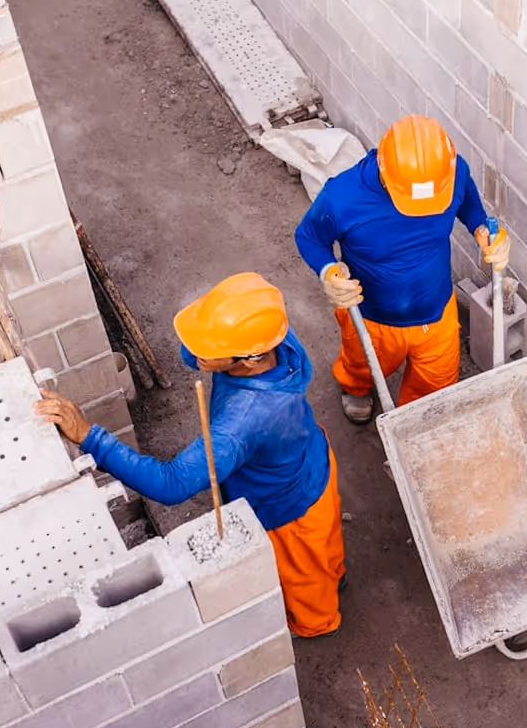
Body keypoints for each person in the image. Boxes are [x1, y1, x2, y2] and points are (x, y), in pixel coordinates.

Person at [35, 272, 346, 639]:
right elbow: (196, 353)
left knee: (306, 582)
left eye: (210, 346)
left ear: (248, 360)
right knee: (325, 552)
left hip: (287, 509)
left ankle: (316, 625)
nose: (198, 352)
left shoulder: (242, 423)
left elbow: (173, 483)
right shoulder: (273, 338)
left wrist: (90, 436)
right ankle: (333, 575)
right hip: (313, 462)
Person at [294, 115, 511, 424]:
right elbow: (308, 237)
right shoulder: (342, 197)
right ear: (384, 171)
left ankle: (414, 423)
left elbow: (472, 210)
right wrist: (327, 270)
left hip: (436, 312)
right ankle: (356, 387)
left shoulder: (452, 174)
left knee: (433, 391)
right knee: (363, 365)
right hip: (372, 316)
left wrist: (485, 233)